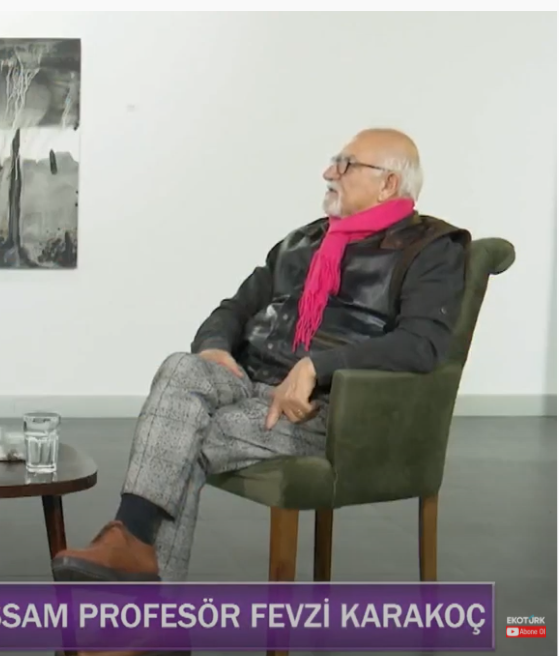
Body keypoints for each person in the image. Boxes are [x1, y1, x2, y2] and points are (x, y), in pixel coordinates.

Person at [51, 128, 469, 594]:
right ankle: (132, 547)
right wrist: (214, 346)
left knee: (183, 438)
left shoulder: (431, 247)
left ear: (388, 183)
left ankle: (141, 583)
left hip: (328, 409)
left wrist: (317, 366)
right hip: (251, 379)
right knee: (180, 366)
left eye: (346, 164)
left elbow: (422, 344)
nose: (328, 172)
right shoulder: (303, 241)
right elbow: (235, 307)